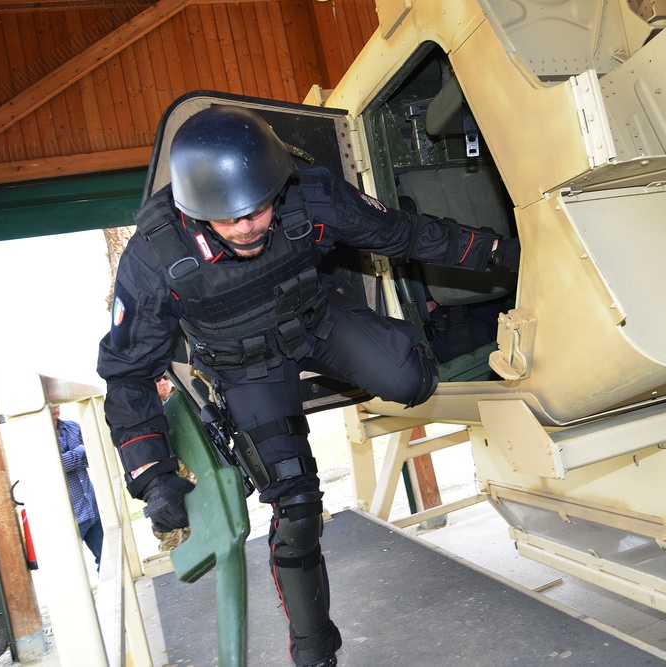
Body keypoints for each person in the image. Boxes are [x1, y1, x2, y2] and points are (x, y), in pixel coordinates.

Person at [96, 105, 519, 667]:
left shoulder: (308, 195)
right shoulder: (153, 257)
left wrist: (501, 253)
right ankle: (314, 652)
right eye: (230, 217)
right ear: (194, 211)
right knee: (296, 510)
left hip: (316, 323)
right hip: (246, 369)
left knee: (411, 378)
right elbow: (126, 373)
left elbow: (405, 235)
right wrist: (151, 475)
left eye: (258, 207)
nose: (248, 224)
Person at [52, 404, 103, 571]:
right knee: (72, 570)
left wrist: (70, 458)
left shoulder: (72, 426)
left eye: (55, 403)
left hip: (91, 506)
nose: (54, 408)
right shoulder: (37, 437)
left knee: (107, 559)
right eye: (48, 404)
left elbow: (92, 456)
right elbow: (55, 466)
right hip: (69, 515)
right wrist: (79, 452)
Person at [151, 374, 193, 553]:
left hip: (188, 468)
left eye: (165, 378)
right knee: (168, 523)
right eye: (157, 380)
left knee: (192, 511)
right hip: (163, 472)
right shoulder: (149, 408)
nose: (163, 383)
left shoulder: (183, 400)